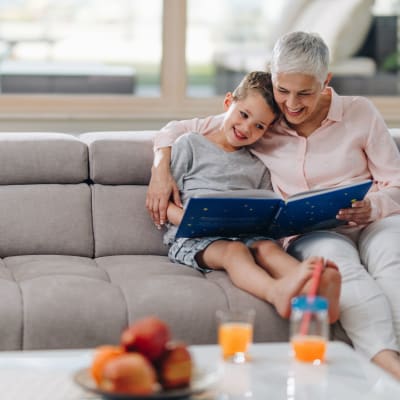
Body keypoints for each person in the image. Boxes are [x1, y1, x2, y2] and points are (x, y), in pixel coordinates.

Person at [146, 32, 400, 379]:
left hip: (375, 219)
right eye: (283, 90)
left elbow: (396, 181)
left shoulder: (358, 112)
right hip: (316, 231)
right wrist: (161, 169)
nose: (292, 104)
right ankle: (387, 363)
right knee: (339, 267)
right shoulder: (268, 119)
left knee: (392, 259)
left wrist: (373, 207)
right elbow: (180, 130)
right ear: (273, 77)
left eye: (305, 93)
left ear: (325, 81)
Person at [163, 71, 341, 321]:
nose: (246, 128)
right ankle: (275, 293)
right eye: (243, 115)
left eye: (259, 126)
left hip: (245, 232)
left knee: (267, 247)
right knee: (235, 251)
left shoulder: (257, 162)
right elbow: (164, 203)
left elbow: (266, 206)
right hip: (194, 236)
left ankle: (314, 286)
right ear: (228, 103)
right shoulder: (190, 144)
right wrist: (189, 219)